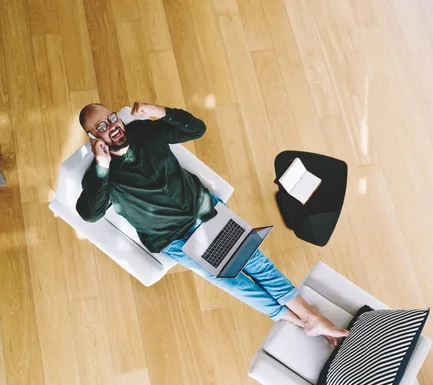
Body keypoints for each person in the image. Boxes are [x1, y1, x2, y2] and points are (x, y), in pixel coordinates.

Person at [76, 101, 349, 344]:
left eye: (112, 117)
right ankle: (301, 320)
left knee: (254, 262)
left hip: (205, 210)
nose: (111, 126)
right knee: (233, 281)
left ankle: (309, 317)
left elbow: (196, 129)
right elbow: (90, 213)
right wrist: (102, 165)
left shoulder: (144, 131)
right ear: (93, 138)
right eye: (101, 126)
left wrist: (158, 111)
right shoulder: (100, 177)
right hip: (175, 238)